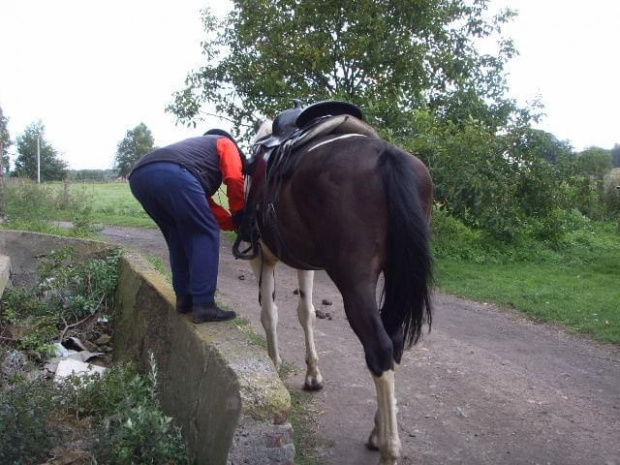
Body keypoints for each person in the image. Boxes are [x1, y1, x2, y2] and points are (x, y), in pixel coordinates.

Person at [128, 129, 245, 323]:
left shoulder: (195, 154)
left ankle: (185, 299)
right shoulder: (225, 142)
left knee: (178, 235)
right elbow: (234, 177)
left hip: (139, 176)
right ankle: (204, 305)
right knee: (204, 233)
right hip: (173, 173)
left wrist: (233, 224)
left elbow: (206, 205)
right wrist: (240, 213)